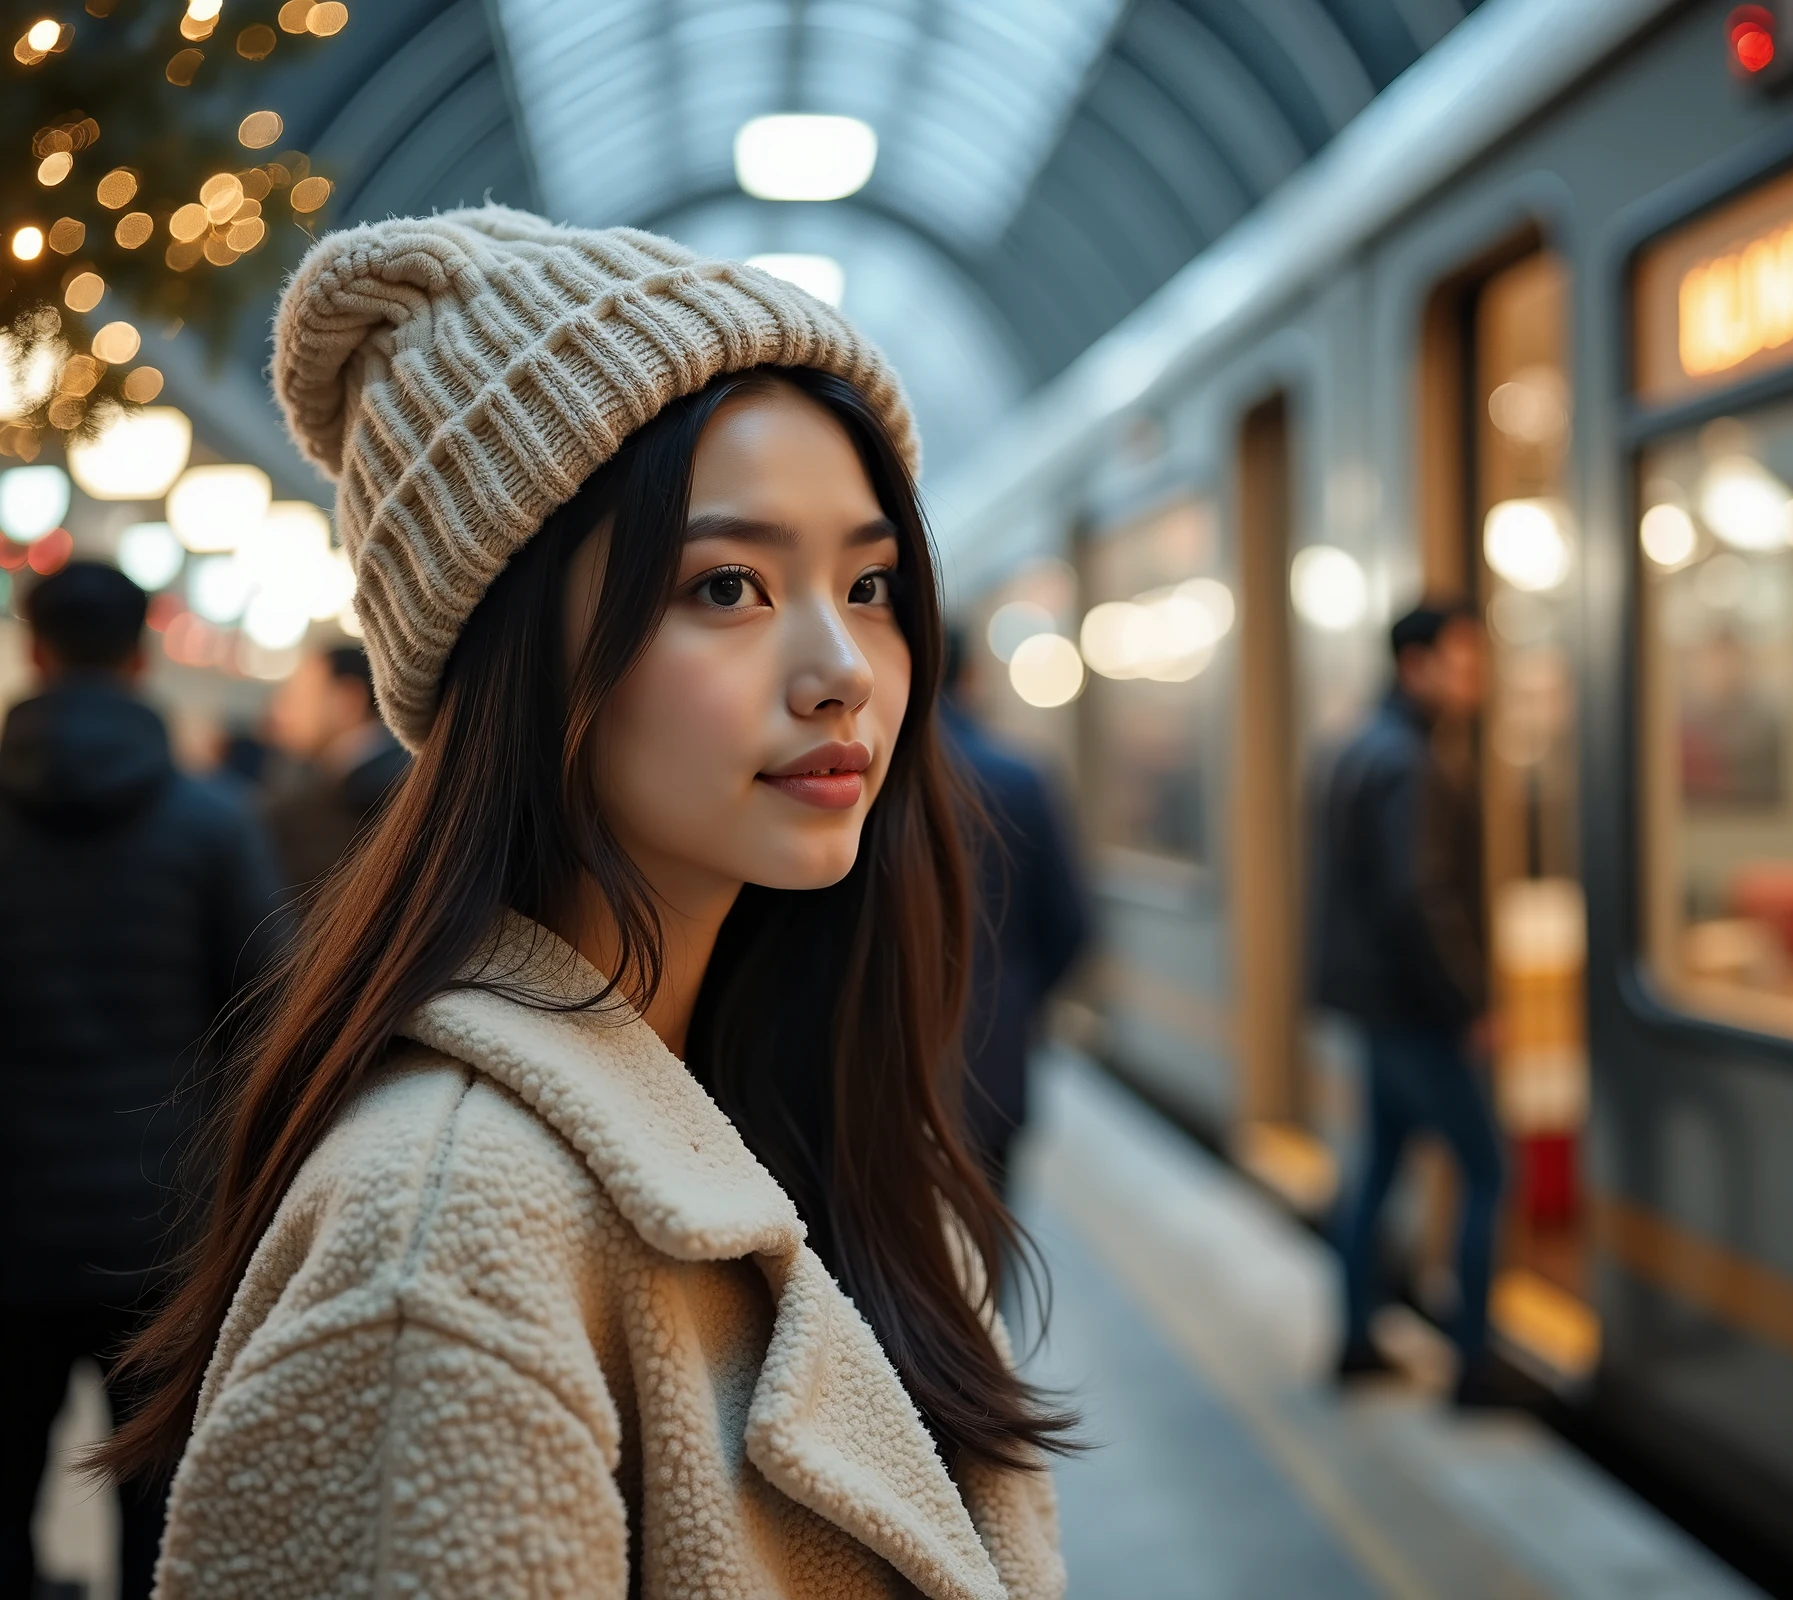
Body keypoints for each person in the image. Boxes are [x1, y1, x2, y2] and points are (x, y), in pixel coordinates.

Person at [97, 211, 1071, 1599]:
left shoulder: (802, 1114)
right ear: (519, 658)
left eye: (868, 586)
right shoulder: (442, 1256)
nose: (843, 667)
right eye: (726, 587)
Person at [0, 562, 283, 1599]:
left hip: (6, 1220)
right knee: (158, 1511)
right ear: (139, 656)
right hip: (158, 1229)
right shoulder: (211, 825)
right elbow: (269, 1014)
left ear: (33, 648)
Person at [1314, 599, 1508, 1407]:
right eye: (1461, 662)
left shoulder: (1360, 746)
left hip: (1376, 1007)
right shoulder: (1410, 763)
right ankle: (1474, 1362)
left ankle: (1358, 1337)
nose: (1475, 680)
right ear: (1415, 665)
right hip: (1417, 1012)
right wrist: (1469, 1002)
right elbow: (1416, 898)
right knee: (1490, 1169)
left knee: (1381, 1167)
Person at [940, 627, 1090, 1196]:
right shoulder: (1020, 778)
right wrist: (1013, 997)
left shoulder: (856, 777)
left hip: (870, 1078)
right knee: (983, 1248)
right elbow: (1071, 925)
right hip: (993, 1061)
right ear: (971, 676)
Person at [261, 643, 411, 897]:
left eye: (296, 697)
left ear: (347, 700)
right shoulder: (336, 781)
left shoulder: (383, 790)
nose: (279, 712)